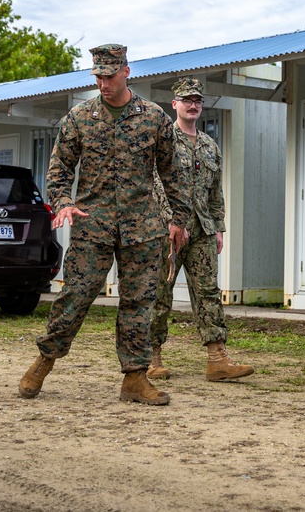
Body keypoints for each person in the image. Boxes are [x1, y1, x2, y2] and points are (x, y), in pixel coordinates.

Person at [18, 43, 189, 406]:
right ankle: (43, 361)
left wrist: (179, 219)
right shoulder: (80, 118)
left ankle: (135, 378)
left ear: (126, 71)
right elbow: (60, 167)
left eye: (109, 76)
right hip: (92, 225)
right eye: (98, 76)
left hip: (143, 227)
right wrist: (63, 202)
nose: (103, 83)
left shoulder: (153, 117)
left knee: (139, 303)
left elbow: (171, 171)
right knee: (74, 298)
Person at [147, 78, 253, 382]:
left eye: (198, 101)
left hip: (203, 230)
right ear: (175, 104)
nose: (193, 106)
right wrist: (170, 221)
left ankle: (217, 358)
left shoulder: (209, 145)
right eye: (187, 100)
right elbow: (156, 184)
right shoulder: (164, 140)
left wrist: (218, 226)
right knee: (160, 293)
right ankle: (152, 357)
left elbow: (215, 190)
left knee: (207, 291)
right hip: (168, 231)